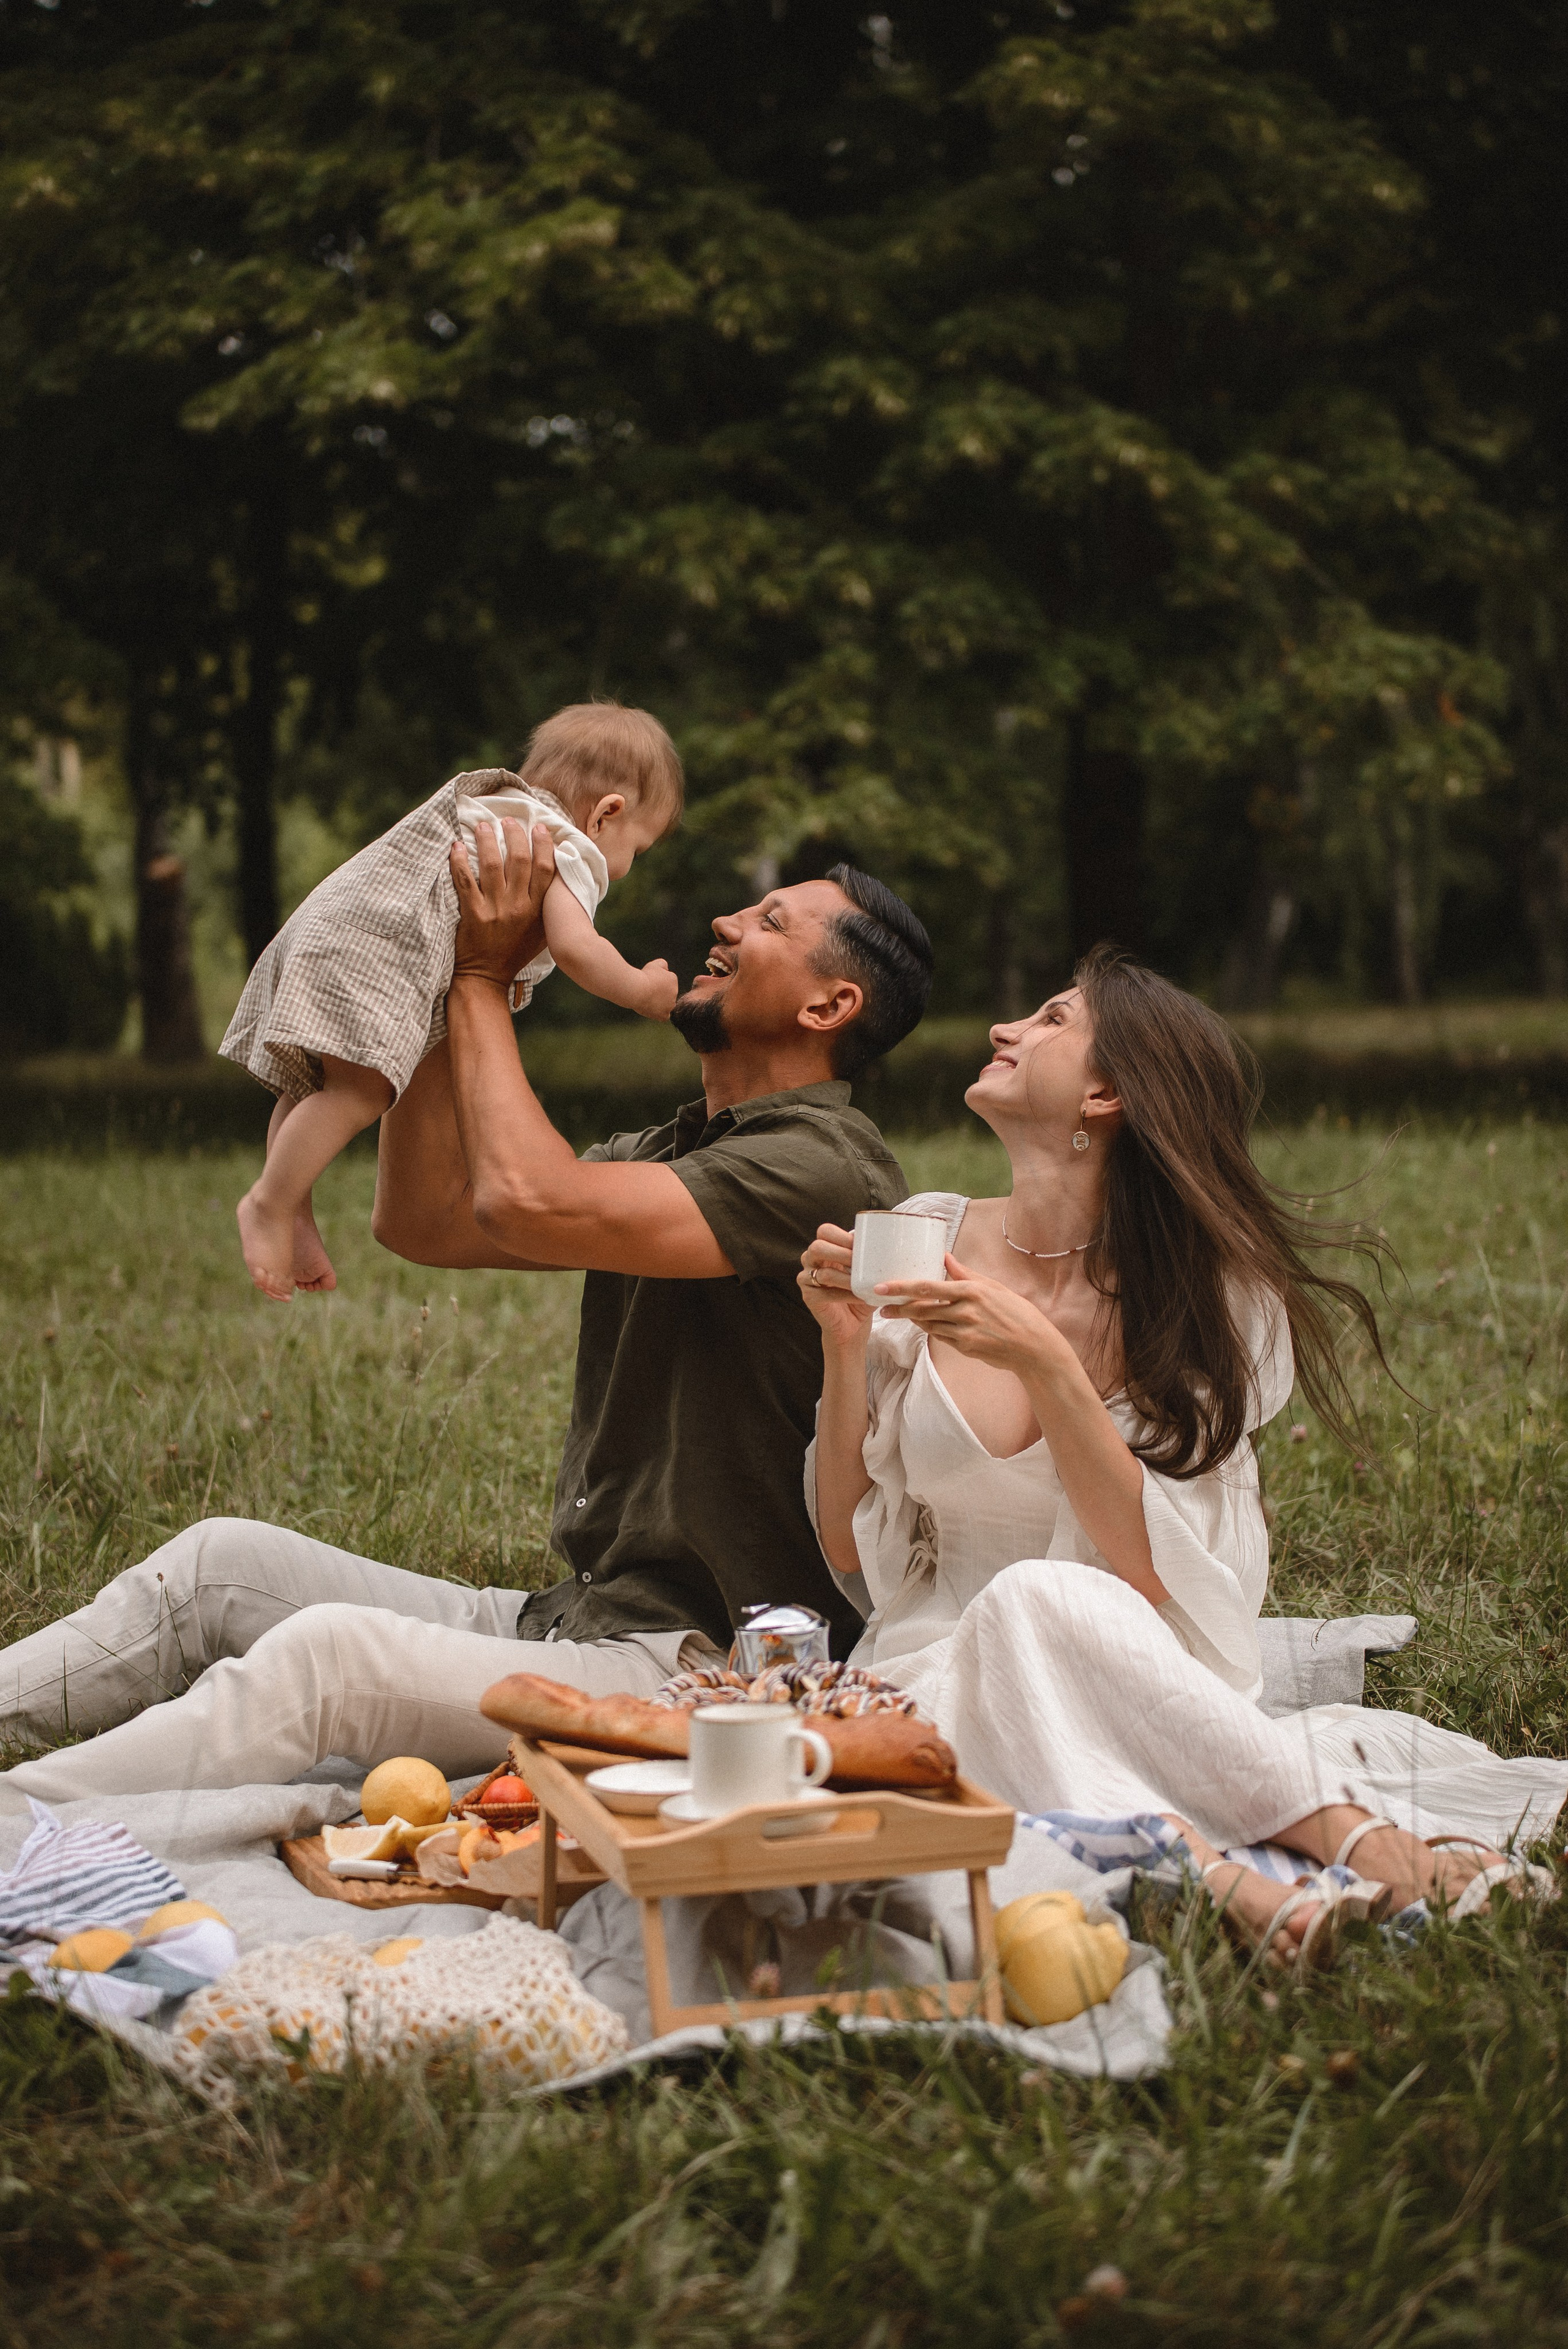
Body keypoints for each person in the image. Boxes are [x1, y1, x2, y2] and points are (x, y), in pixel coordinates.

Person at [0, 824, 932, 1809]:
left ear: (831, 1002)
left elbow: (528, 1197)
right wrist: (447, 968)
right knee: (216, 1564)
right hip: (581, 1615)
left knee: (324, 1660)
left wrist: (488, 978)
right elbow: (428, 1218)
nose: (726, 920)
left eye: (769, 920)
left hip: (702, 1669)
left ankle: (17, 1828)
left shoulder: (825, 1165)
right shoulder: (679, 1149)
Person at [800, 948, 1566, 1957]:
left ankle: (1249, 1864)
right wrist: (845, 1347)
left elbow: (1150, 1572)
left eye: (1052, 1020)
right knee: (1002, 1623)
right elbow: (849, 1552)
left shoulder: (1208, 1299)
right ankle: (1286, 1857)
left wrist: (1047, 1367)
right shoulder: (920, 1239)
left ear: (1108, 1093)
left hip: (1139, 1673)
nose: (1006, 1029)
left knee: (1038, 1597)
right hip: (935, 1678)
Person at [221, 702, 684, 1303]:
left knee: (315, 1086)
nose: (624, 869)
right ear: (607, 813)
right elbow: (576, 947)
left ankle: (291, 1205)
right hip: (378, 950)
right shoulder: (564, 844)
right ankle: (269, 1204)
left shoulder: (497, 808)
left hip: (329, 928)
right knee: (360, 1091)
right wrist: (638, 988)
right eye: (637, 850)